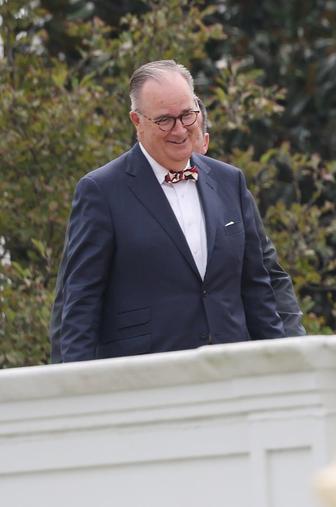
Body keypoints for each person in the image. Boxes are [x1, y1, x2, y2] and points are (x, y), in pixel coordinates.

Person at [54, 60, 285, 362]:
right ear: (137, 121)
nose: (180, 130)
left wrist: (285, 364)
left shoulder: (231, 181)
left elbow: (258, 288)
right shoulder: (100, 190)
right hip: (146, 380)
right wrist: (74, 390)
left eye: (188, 115)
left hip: (233, 373)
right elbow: (81, 302)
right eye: (165, 120)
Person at [193, 98, 305, 336]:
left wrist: (293, 342)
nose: (179, 140)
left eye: (189, 131)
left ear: (205, 143)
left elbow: (269, 274)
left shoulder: (231, 188)